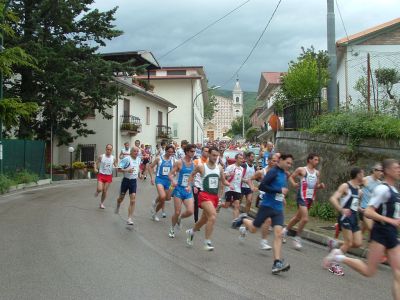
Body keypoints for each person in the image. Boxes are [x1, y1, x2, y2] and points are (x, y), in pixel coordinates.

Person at [324, 159, 400, 299]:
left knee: (397, 273)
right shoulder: (382, 188)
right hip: (378, 231)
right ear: (387, 171)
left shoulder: (394, 190)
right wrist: (341, 210)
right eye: (396, 167)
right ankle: (338, 257)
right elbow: (369, 212)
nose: (399, 169)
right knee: (368, 270)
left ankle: (336, 249)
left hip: (389, 232)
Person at [232, 154, 294, 274]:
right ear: (280, 161)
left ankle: (277, 263)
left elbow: (281, 190)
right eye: (287, 163)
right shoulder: (273, 172)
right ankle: (244, 219)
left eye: (291, 164)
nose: (289, 165)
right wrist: (278, 190)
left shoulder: (284, 174)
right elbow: (262, 186)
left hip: (278, 209)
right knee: (254, 229)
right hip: (267, 206)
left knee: (278, 235)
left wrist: (283, 196)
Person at [186, 147, 230, 251]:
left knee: (203, 220)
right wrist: (188, 185)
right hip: (204, 195)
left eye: (217, 155)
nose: (215, 157)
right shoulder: (201, 167)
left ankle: (191, 231)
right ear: (209, 155)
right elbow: (191, 175)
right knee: (213, 216)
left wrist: (230, 184)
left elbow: (223, 181)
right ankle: (207, 242)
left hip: (214, 197)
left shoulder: (219, 168)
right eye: (213, 155)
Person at [324, 167, 364, 276]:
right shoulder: (346, 186)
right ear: (358, 175)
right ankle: (334, 264)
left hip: (354, 218)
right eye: (362, 173)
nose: (364, 176)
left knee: (358, 243)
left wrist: (361, 209)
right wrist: (341, 210)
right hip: (345, 217)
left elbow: (355, 205)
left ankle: (334, 243)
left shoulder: (360, 191)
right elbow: (333, 198)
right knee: (349, 243)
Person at [283, 153, 325, 250]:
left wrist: (320, 186)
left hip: (310, 198)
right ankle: (297, 238)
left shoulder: (317, 173)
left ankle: (284, 231)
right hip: (301, 196)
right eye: (315, 160)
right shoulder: (301, 170)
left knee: (298, 217)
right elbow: (290, 176)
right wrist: (293, 184)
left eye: (317, 160)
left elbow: (315, 186)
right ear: (309, 160)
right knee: (305, 219)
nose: (317, 162)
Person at [251, 153, 280, 251]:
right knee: (268, 220)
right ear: (268, 161)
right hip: (262, 198)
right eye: (273, 161)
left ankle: (243, 222)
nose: (275, 163)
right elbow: (249, 179)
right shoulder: (261, 172)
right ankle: (263, 242)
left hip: (272, 199)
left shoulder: (278, 173)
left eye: (277, 161)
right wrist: (253, 187)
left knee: (256, 225)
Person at [168, 144, 196, 238]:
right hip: (179, 189)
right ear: (187, 152)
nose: (193, 153)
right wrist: (173, 180)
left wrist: (192, 185)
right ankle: (172, 228)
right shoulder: (179, 162)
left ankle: (180, 218)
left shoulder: (194, 164)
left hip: (187, 190)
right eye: (192, 151)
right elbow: (170, 174)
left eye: (194, 151)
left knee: (190, 211)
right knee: (177, 212)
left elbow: (192, 177)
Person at [115, 147, 142, 225]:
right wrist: (127, 170)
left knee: (133, 200)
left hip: (133, 181)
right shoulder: (127, 159)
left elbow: (138, 168)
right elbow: (118, 169)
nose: (136, 152)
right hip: (126, 181)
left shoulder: (138, 159)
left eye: (137, 151)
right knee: (121, 198)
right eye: (134, 151)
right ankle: (118, 204)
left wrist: (140, 174)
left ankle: (129, 218)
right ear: (131, 152)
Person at [148, 145, 175, 221]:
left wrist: (174, 174)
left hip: (168, 181)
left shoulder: (173, 160)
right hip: (159, 179)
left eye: (172, 152)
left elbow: (175, 169)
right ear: (165, 151)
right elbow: (150, 167)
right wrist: (152, 178)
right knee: (162, 197)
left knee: (167, 198)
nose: (170, 153)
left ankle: (154, 209)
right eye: (169, 152)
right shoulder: (159, 158)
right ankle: (155, 208)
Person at [222, 153, 246, 220]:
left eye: (242, 159)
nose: (241, 160)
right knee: (227, 205)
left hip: (237, 189)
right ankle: (220, 205)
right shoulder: (230, 167)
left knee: (237, 205)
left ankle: (235, 221)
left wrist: (246, 181)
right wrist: (229, 174)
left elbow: (240, 178)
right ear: (236, 159)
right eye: (240, 158)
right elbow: (223, 176)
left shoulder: (242, 169)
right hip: (229, 187)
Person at [360, 163, 383, 235]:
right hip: (364, 209)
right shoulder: (365, 179)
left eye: (382, 171)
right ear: (374, 170)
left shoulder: (380, 183)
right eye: (380, 171)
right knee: (372, 230)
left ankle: (344, 244)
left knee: (360, 234)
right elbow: (353, 187)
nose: (381, 173)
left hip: (373, 210)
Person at [94, 144, 117, 209]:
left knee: (104, 191)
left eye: (110, 149)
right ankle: (97, 191)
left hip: (109, 176)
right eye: (107, 149)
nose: (109, 151)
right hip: (101, 175)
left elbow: (116, 165)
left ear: (111, 150)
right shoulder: (101, 156)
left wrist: (119, 167)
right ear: (106, 149)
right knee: (100, 189)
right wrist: (95, 168)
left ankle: (101, 203)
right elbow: (96, 163)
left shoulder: (113, 158)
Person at [193, 146, 209, 222]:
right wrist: (193, 185)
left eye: (208, 151)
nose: (207, 153)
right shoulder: (196, 161)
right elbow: (192, 174)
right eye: (205, 151)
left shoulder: (210, 162)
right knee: (196, 203)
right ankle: (196, 220)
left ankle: (203, 219)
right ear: (202, 152)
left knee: (204, 204)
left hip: (206, 187)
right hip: (197, 185)